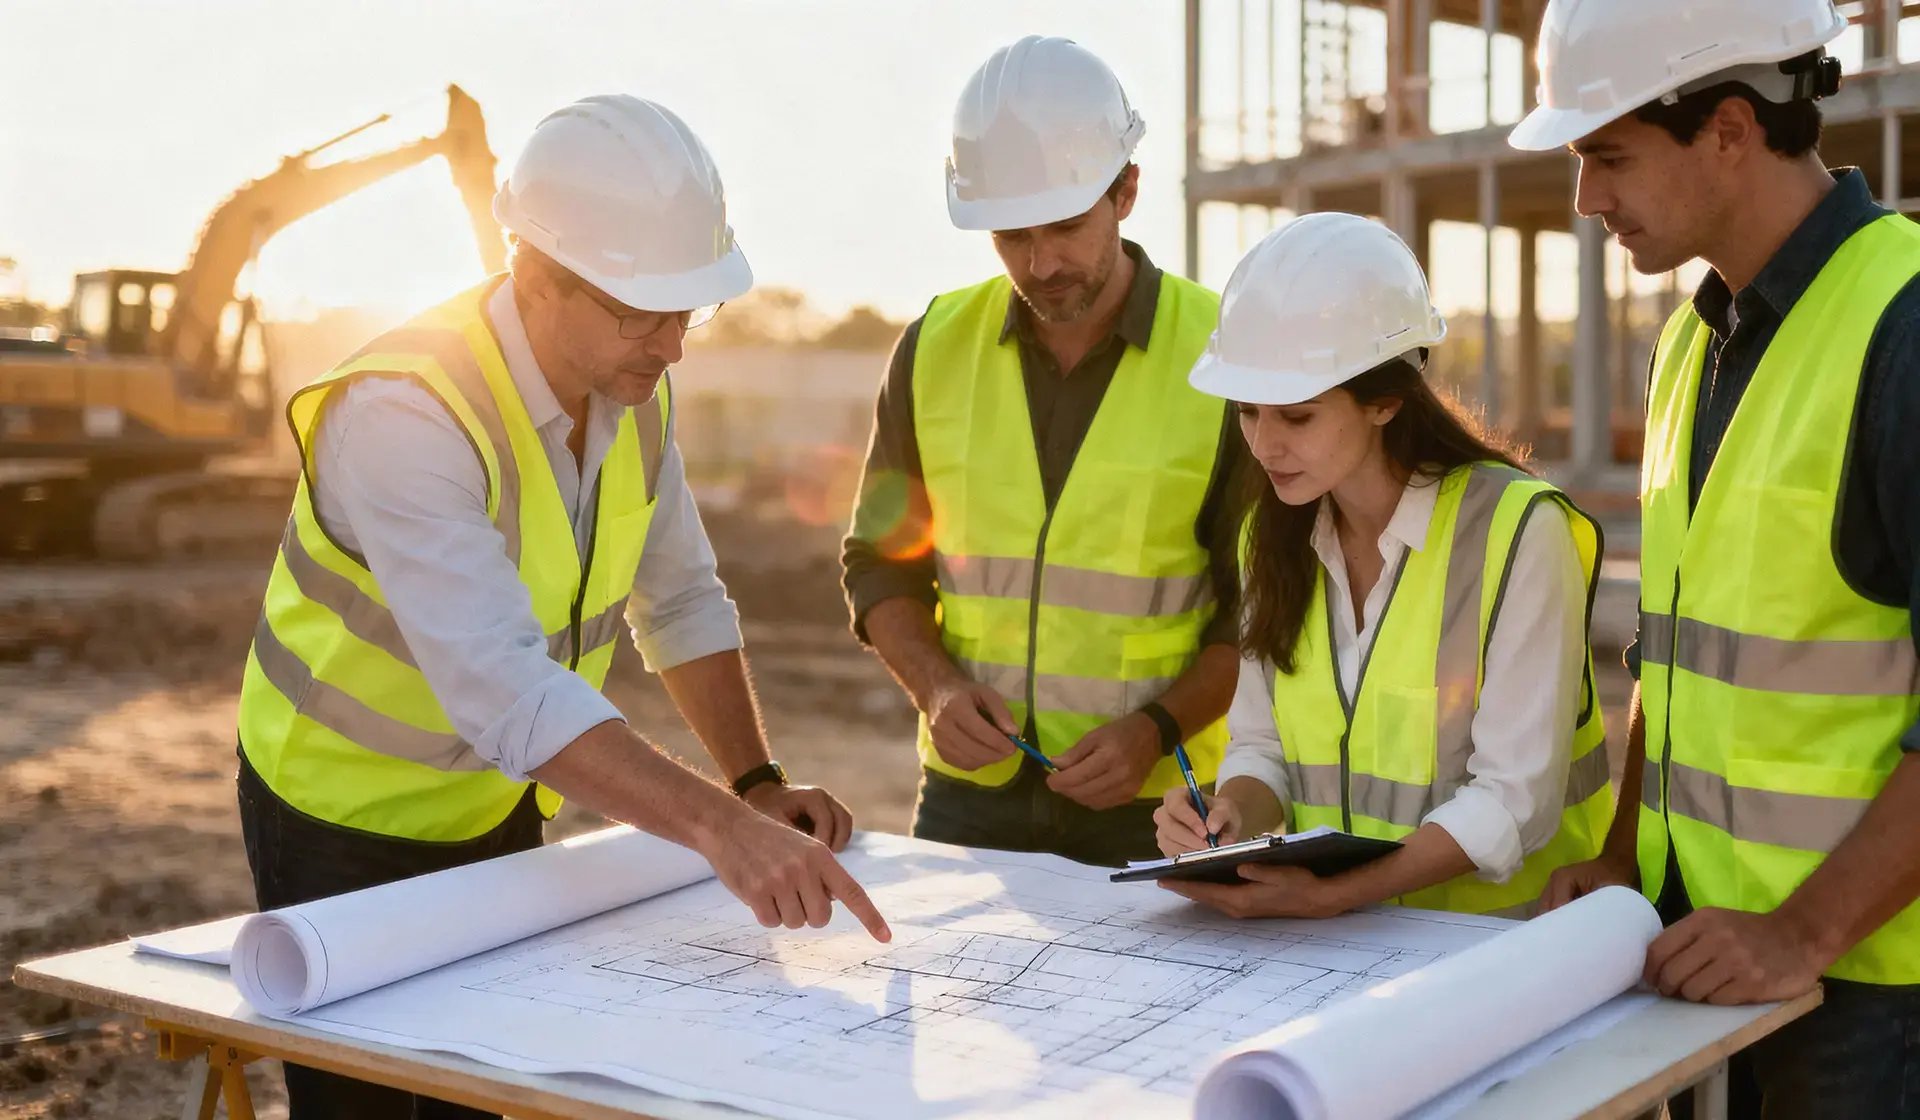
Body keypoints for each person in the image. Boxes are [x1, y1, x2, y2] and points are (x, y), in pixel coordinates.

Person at [235, 94, 888, 1119]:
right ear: (538, 277)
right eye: (645, 312)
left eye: (690, 310)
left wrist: (755, 784)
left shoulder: (636, 396)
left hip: (498, 806)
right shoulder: (404, 413)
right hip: (338, 819)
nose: (674, 345)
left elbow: (679, 597)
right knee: (368, 1107)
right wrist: (724, 834)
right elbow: (505, 690)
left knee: (477, 1088)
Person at [1508, 0, 1920, 1113]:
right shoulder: (1697, 336)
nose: (1587, 199)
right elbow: (1674, 649)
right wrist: (1622, 855)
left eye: (1608, 157)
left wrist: (1802, 929)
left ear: (1730, 128)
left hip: (1869, 999)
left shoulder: (1905, 326)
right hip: (1706, 959)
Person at [841, 36, 1249, 866]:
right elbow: (879, 567)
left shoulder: (1226, 357)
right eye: (1010, 235)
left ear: (1127, 190)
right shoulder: (933, 347)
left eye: (1065, 226)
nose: (1042, 263)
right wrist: (938, 688)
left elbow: (1264, 615)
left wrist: (1151, 732)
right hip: (968, 804)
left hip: (1158, 802)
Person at [1153, 213, 1613, 920]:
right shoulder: (1268, 536)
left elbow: (1514, 802)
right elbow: (1262, 746)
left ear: (1385, 402)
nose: (1264, 444)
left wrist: (1334, 895)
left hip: (1501, 956)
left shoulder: (1520, 532)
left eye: (1296, 417)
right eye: (1248, 413)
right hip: (1339, 962)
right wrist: (1227, 817)